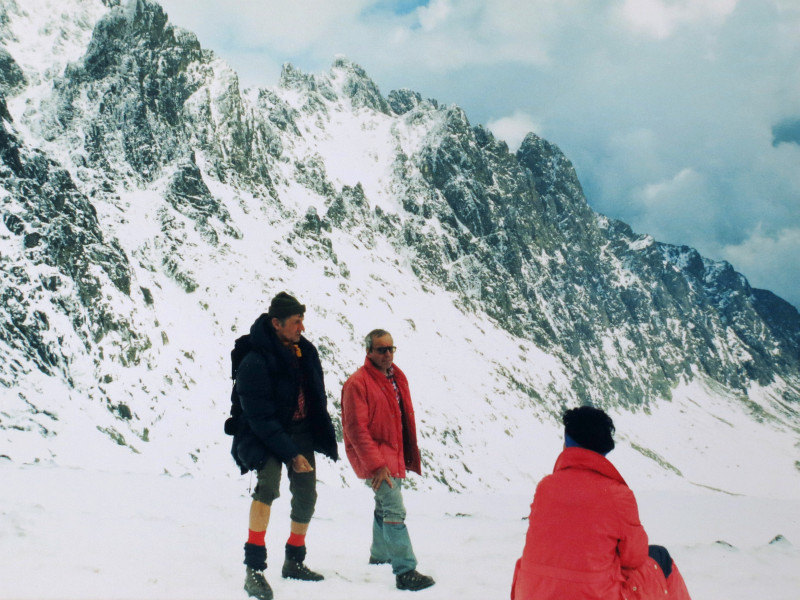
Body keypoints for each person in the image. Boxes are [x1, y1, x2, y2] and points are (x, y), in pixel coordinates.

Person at [511, 406, 692, 600]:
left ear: (567, 444)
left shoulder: (545, 488)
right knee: (661, 558)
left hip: (532, 594)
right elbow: (634, 557)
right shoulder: (618, 495)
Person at [231, 292, 339, 600]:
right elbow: (260, 418)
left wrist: (318, 435)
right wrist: (291, 454)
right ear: (276, 323)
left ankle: (294, 560)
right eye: (296, 321)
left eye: (302, 320)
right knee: (267, 488)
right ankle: (254, 569)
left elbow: (316, 395)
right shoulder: (255, 361)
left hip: (300, 430)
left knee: (306, 495)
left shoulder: (305, 351)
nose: (302, 327)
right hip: (262, 434)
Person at [341, 329, 435, 592]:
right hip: (377, 459)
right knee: (394, 510)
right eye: (381, 349)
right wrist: (376, 466)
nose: (387, 354)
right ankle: (405, 571)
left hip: (392, 455)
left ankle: (379, 555)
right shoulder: (358, 383)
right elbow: (356, 430)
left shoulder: (396, 377)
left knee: (384, 506)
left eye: (391, 349)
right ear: (368, 351)